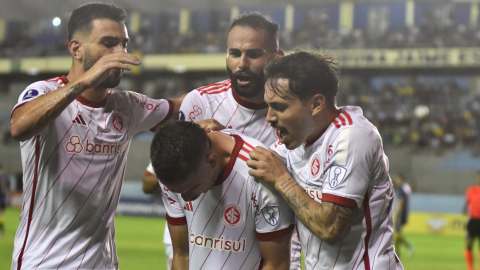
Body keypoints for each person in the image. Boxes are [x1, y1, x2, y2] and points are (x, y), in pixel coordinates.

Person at [9, 3, 183, 269]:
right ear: (76, 48)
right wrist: (85, 81)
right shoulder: (43, 91)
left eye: (123, 44)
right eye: (108, 43)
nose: (120, 53)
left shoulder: (127, 106)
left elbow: (183, 106)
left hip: (103, 264)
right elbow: (19, 126)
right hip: (45, 263)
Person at [143, 12, 302, 269]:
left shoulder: (296, 113)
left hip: (273, 237)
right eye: (234, 53)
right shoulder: (199, 103)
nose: (242, 63)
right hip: (203, 239)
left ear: (277, 58)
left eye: (254, 54)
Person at [247, 50, 403, 269]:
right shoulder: (294, 142)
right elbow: (246, 159)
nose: (270, 117)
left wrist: (281, 178)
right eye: (269, 106)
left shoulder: (353, 136)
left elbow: (331, 228)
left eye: (280, 107)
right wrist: (211, 137)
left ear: (316, 104)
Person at [150, 121, 295, 270]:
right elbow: (181, 254)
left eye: (191, 189)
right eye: (178, 193)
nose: (185, 199)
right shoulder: (173, 174)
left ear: (211, 161)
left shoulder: (262, 174)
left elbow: (276, 264)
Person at [393, 173, 414, 258]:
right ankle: (398, 252)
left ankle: (408, 246)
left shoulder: (402, 188)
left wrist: (399, 215)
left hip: (401, 213)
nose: (396, 181)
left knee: (396, 233)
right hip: (405, 213)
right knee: (397, 233)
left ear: (401, 179)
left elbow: (401, 202)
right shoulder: (406, 187)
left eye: (397, 179)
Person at [464, 171, 480, 270]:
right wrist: (465, 210)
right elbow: (467, 203)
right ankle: (470, 268)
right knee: (469, 243)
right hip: (473, 220)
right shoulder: (472, 190)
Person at [0, 164, 10, 237]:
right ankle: (2, 232)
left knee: (0, 215)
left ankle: (2, 231)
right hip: (3, 199)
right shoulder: (5, 177)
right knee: (1, 214)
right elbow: (8, 187)